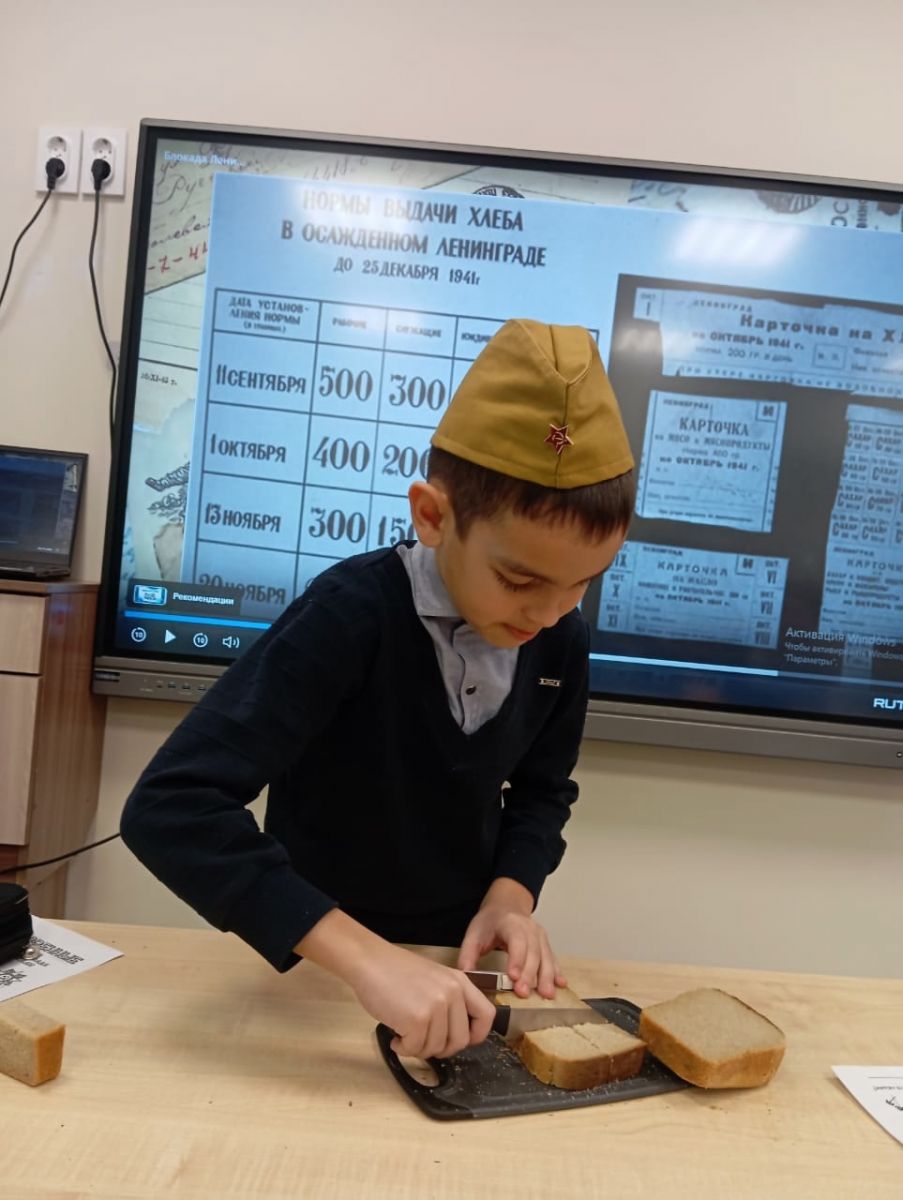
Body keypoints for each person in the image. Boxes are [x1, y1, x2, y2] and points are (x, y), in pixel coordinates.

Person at [120, 318, 635, 1062]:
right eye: (518, 579)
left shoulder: (560, 638)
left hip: (451, 964)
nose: (549, 612)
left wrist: (509, 898)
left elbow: (542, 792)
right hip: (318, 966)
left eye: (582, 582)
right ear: (432, 516)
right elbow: (170, 807)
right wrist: (366, 961)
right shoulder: (349, 615)